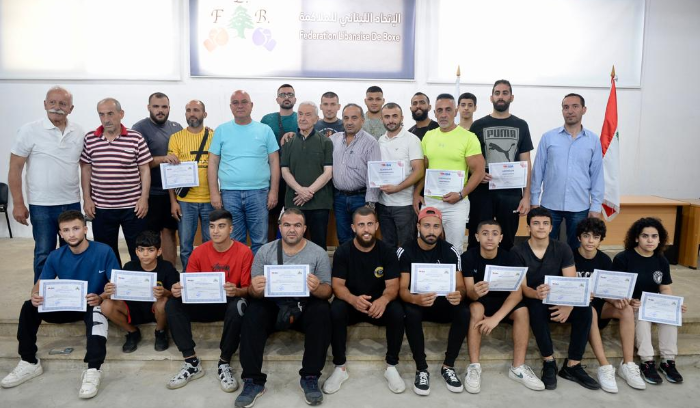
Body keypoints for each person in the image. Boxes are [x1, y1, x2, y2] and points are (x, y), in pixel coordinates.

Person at [1, 210, 118, 399]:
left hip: (92, 303)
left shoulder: (104, 251)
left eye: (76, 228)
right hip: (67, 304)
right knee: (29, 307)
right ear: (60, 233)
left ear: (85, 229)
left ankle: (93, 369)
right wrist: (35, 295)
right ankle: (29, 362)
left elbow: (115, 285)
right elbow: (40, 284)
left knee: (97, 312)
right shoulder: (55, 255)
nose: (71, 234)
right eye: (66, 230)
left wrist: (102, 296)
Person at [236, 208, 332, 407]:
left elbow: (327, 292)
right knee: (253, 311)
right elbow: (253, 292)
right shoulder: (265, 251)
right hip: (274, 305)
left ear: (304, 228)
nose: (292, 229)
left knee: (322, 310)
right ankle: (253, 381)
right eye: (287, 225)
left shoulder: (318, 253)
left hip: (304, 305)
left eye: (297, 225)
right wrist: (255, 288)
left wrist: (317, 288)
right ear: (280, 227)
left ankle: (310, 377)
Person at [511, 207, 599, 391]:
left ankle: (573, 365)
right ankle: (549, 361)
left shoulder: (562, 248)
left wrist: (568, 305)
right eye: (536, 223)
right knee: (534, 307)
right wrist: (536, 293)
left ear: (551, 227)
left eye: (545, 223)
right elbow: (523, 288)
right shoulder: (518, 251)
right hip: (535, 297)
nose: (541, 227)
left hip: (560, 297)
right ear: (528, 228)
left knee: (585, 309)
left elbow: (571, 282)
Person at [165, 209, 252, 391]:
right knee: (172, 303)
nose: (215, 231)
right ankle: (191, 362)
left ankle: (224, 362)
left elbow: (248, 289)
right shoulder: (199, 252)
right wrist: (178, 289)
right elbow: (189, 284)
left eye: (221, 226)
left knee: (240, 305)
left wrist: (237, 290)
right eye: (212, 226)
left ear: (230, 229)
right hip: (202, 303)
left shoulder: (244, 252)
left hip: (228, 304)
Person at [325, 207, 405, 394]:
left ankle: (391, 366)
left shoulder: (387, 251)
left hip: (378, 306)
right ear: (353, 227)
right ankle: (340, 367)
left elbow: (393, 286)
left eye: (370, 224)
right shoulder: (343, 251)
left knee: (397, 311)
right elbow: (337, 285)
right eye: (361, 225)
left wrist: (384, 300)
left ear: (376, 226)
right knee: (335, 309)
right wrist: (352, 299)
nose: (366, 229)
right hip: (353, 303)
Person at [8, 86, 84, 282]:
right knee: (44, 253)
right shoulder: (29, 130)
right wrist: (18, 203)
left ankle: (71, 294)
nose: (57, 107)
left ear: (71, 108)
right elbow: (15, 168)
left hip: (72, 202)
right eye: (52, 102)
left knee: (74, 252)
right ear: (45, 104)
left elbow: (85, 167)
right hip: (42, 205)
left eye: (63, 103)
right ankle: (41, 296)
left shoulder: (78, 132)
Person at [462, 220, 544, 393]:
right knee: (475, 308)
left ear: (500, 238)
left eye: (494, 234)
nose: (489, 238)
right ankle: (474, 366)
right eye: (485, 233)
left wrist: (495, 319)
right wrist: (475, 292)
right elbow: (469, 293)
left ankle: (518, 367)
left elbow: (517, 294)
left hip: (504, 302)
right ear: (476, 237)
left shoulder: (510, 257)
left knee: (523, 311)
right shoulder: (468, 257)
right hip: (481, 302)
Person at [397, 207, 469, 396]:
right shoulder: (405, 250)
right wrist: (416, 299)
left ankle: (448, 366)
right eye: (427, 226)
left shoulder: (450, 251)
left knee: (464, 311)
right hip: (418, 302)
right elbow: (402, 289)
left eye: (436, 226)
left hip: (443, 302)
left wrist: (459, 294)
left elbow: (461, 286)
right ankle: (421, 368)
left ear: (441, 228)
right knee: (410, 312)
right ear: (418, 226)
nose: (431, 231)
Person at [574, 217, 645, 392]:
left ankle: (628, 364)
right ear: (579, 237)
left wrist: (618, 300)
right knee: (590, 311)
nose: (591, 241)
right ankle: (604, 366)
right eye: (586, 236)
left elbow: (608, 291)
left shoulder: (605, 260)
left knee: (626, 309)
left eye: (596, 237)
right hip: (578, 307)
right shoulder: (570, 256)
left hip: (601, 305)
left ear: (601, 240)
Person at [613, 217, 687, 385]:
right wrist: (629, 301)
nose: (650, 240)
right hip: (632, 305)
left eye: (654, 236)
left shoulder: (661, 260)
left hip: (653, 304)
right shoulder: (623, 258)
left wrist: (673, 304)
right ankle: (647, 362)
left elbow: (664, 288)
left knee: (671, 313)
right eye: (645, 236)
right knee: (641, 315)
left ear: (660, 239)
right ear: (636, 238)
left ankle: (668, 361)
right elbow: (616, 289)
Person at [80, 98, 152, 265]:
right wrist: (87, 199)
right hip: (101, 208)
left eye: (110, 114)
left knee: (139, 251)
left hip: (133, 207)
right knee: (106, 253)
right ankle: (112, 281)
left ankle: (138, 279)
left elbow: (145, 170)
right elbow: (86, 170)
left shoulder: (135, 138)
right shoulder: (90, 139)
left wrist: (144, 198)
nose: (106, 119)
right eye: (102, 114)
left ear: (121, 114)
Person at [209, 90, 280, 254]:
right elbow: (213, 162)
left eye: (244, 102)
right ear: (230, 107)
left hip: (259, 193)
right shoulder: (221, 130)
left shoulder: (265, 130)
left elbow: (274, 161)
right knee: (235, 241)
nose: (240, 106)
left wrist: (274, 191)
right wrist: (214, 193)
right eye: (235, 102)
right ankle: (239, 272)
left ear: (251, 105)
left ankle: (257, 272)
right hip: (229, 193)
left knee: (260, 241)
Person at [531, 93, 604, 249]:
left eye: (575, 106)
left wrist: (596, 206)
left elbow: (597, 176)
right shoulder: (548, 138)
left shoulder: (593, 140)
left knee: (576, 249)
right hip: (549, 204)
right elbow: (538, 171)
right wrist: (534, 201)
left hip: (580, 206)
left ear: (584, 110)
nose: (570, 111)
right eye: (566, 107)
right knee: (544, 247)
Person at [469, 79, 533, 251]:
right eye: (497, 93)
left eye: (505, 93)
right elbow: (469, 158)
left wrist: (526, 196)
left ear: (511, 97)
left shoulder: (521, 125)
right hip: (482, 191)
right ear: (491, 97)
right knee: (478, 237)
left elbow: (526, 161)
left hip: (511, 192)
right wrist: (477, 174)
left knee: (507, 239)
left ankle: (503, 268)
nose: (501, 96)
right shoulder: (478, 125)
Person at [416, 93, 485, 251]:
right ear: (435, 113)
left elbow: (479, 172)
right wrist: (416, 193)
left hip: (456, 204)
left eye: (448, 110)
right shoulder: (428, 136)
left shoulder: (468, 137)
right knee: (425, 246)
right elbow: (423, 169)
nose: (443, 114)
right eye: (439, 110)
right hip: (431, 201)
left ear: (455, 112)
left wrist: (461, 194)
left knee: (454, 249)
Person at [101, 230, 179, 353]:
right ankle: (132, 332)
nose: (145, 254)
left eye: (150, 250)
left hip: (156, 310)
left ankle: (160, 332)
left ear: (159, 251)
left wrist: (164, 292)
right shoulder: (129, 266)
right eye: (141, 250)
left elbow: (175, 293)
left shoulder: (166, 267)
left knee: (163, 301)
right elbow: (118, 291)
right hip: (133, 308)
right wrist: (109, 291)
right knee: (106, 305)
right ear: (136, 251)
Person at [132, 92, 183, 265]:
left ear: (169, 108)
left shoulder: (177, 127)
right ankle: (152, 273)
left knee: (170, 232)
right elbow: (138, 161)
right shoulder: (139, 128)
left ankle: (169, 272)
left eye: (164, 107)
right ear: (148, 107)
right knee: (150, 235)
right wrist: (163, 159)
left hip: (173, 193)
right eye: (156, 106)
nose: (160, 110)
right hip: (150, 192)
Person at [168, 100, 214, 270]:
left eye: (196, 110)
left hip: (210, 199)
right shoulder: (176, 138)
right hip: (185, 201)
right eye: (188, 110)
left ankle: (208, 276)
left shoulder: (214, 136)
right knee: (185, 245)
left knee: (210, 243)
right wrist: (173, 202)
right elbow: (170, 173)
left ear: (204, 114)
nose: (192, 113)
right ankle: (189, 278)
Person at [280, 101, 334, 250]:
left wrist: (309, 192)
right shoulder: (288, 142)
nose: (303, 118)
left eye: (308, 115)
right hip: (294, 202)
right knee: (293, 244)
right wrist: (300, 190)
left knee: (319, 245)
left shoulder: (326, 142)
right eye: (300, 114)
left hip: (319, 203)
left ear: (316, 119)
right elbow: (285, 171)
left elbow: (328, 172)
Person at [330, 104, 381, 244]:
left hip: (361, 198)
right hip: (339, 198)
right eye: (346, 118)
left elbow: (374, 175)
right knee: (343, 238)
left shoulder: (371, 142)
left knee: (362, 238)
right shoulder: (334, 140)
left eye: (354, 118)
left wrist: (370, 204)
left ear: (362, 120)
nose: (349, 122)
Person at [376, 102, 424, 248]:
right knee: (388, 246)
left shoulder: (412, 139)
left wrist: (398, 188)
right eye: (387, 117)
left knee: (407, 247)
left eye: (395, 116)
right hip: (383, 204)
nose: (391, 120)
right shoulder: (380, 140)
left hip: (405, 205)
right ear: (381, 119)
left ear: (402, 118)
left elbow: (419, 170)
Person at [261, 84, 298, 241]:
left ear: (295, 99)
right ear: (277, 99)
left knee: (296, 217)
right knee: (271, 216)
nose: (286, 97)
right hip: (273, 176)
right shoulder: (267, 120)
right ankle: (270, 250)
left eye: (290, 94)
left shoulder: (301, 118)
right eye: (283, 95)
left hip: (296, 176)